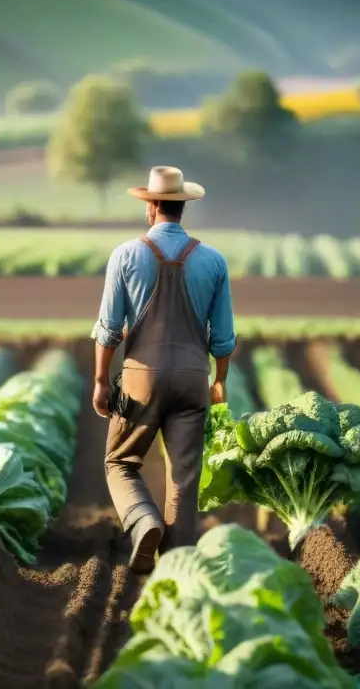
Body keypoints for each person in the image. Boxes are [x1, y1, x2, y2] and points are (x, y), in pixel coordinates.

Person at [91, 165, 236, 574]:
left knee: (120, 462)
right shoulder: (213, 260)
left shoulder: (125, 255)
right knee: (184, 480)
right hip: (193, 378)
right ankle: (175, 571)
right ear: (181, 208)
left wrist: (102, 382)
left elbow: (107, 330)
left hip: (142, 378)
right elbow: (223, 337)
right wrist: (219, 380)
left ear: (151, 207)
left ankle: (143, 521)